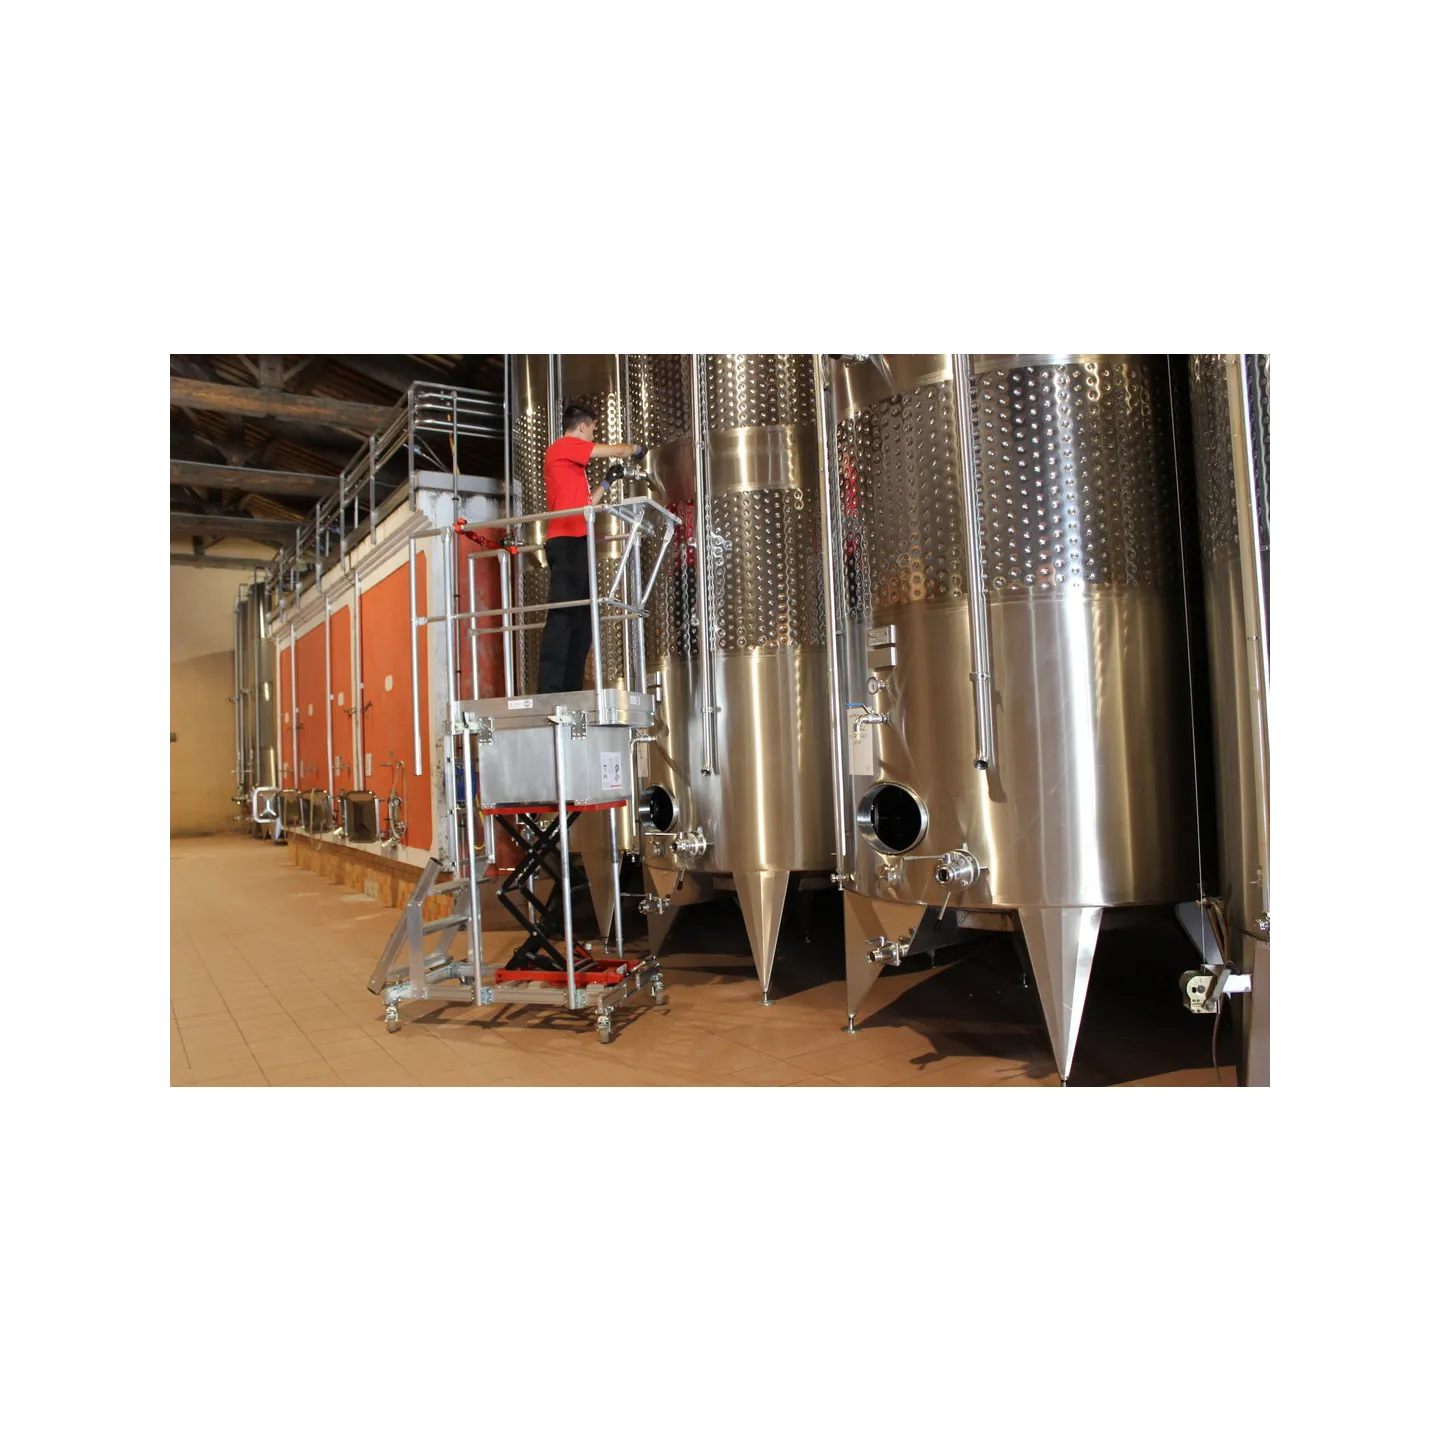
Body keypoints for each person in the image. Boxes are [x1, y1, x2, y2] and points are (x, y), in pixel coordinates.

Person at [536, 403, 644, 693]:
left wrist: (607, 482)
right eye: (592, 429)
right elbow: (615, 450)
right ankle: (549, 689)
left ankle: (571, 688)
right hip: (565, 541)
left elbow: (586, 505)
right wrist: (634, 449)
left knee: (583, 620)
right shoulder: (563, 447)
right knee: (563, 615)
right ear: (582, 426)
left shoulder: (572, 468)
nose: (593, 435)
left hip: (579, 541)